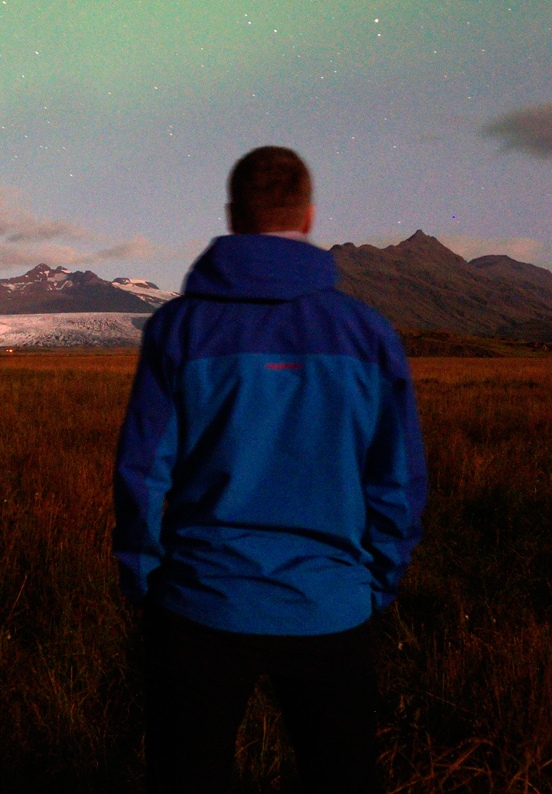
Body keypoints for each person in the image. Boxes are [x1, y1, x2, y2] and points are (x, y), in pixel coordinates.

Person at [112, 146, 428, 793]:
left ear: (232, 216)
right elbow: (397, 481)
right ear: (308, 216)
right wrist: (375, 583)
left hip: (200, 602)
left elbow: (142, 474)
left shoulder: (179, 329)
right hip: (332, 606)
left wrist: (147, 579)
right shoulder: (366, 333)